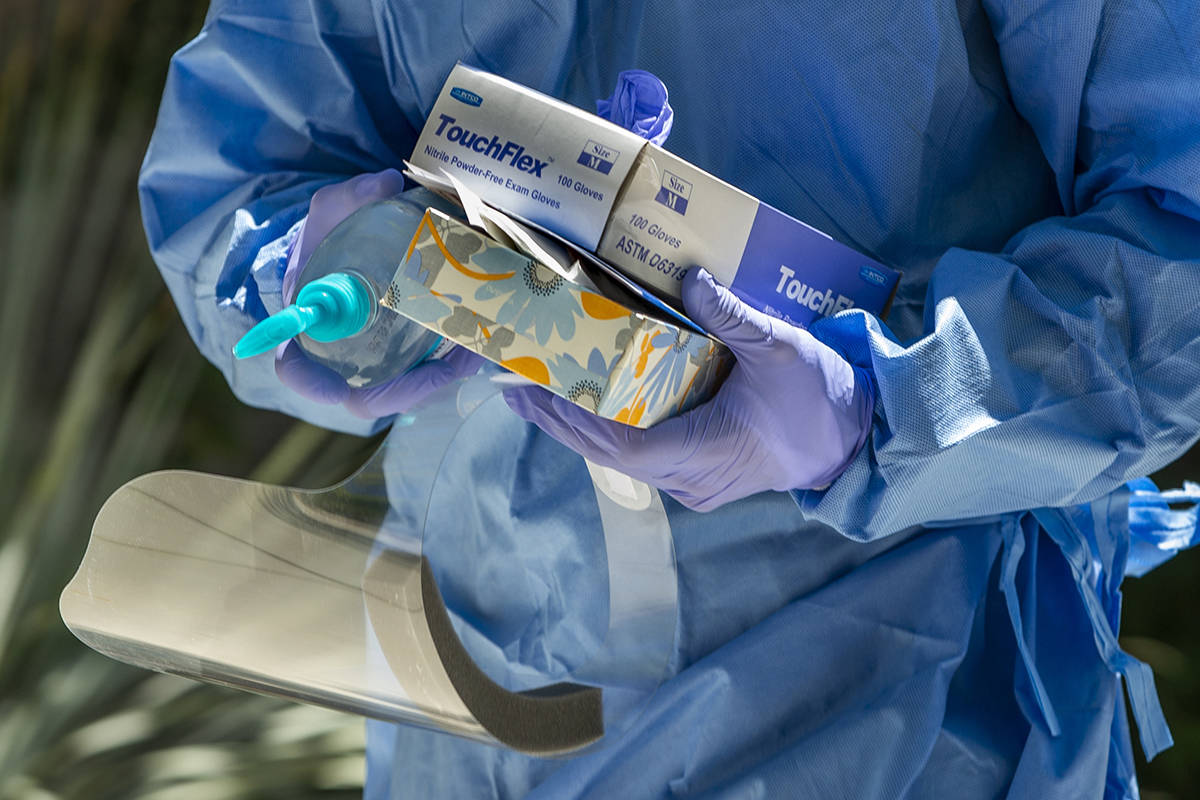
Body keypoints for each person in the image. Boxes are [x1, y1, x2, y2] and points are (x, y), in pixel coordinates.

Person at [138, 1, 1200, 797]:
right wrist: (300, 268)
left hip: (892, 691)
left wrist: (889, 401)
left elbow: (1178, 243)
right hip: (467, 682)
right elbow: (235, 171)